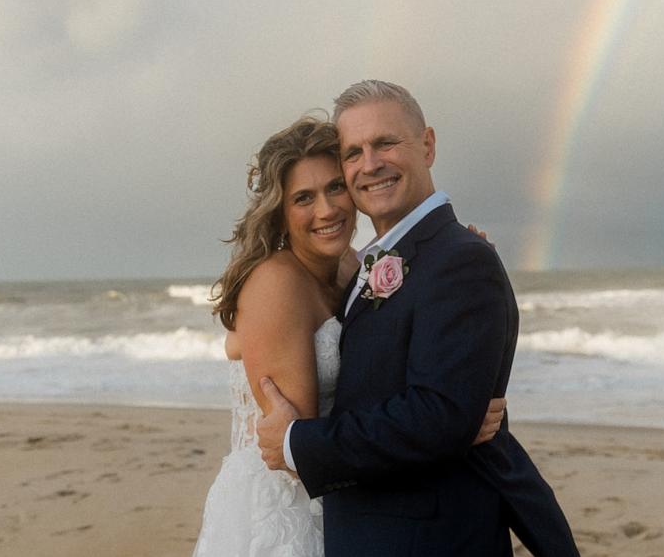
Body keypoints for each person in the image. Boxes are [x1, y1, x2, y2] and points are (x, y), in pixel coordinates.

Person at [256, 81, 580, 556]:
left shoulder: (459, 259)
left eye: (386, 142)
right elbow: (428, 405)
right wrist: (455, 416)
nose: (371, 164)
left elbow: (438, 416)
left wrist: (295, 443)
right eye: (353, 153)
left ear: (426, 145)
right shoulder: (366, 263)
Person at [193, 116, 505, 556]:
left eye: (335, 187)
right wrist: (444, 427)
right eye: (304, 198)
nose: (327, 210)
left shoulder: (357, 267)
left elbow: (398, 346)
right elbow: (296, 448)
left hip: (350, 494)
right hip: (290, 504)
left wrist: (452, 404)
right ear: (281, 210)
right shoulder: (276, 283)